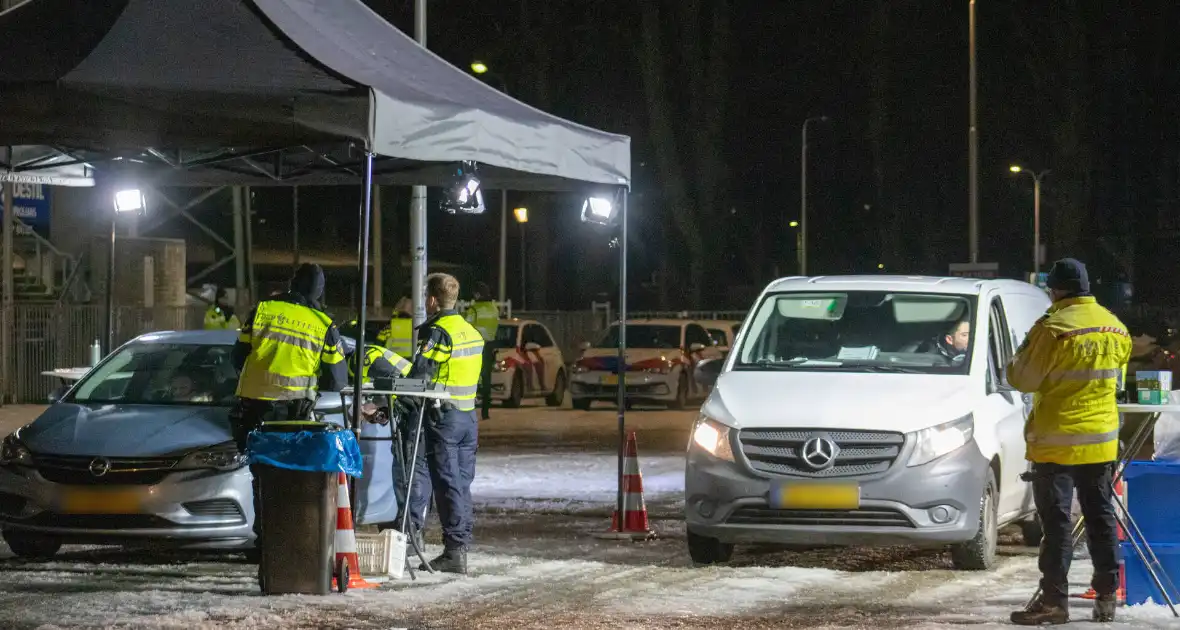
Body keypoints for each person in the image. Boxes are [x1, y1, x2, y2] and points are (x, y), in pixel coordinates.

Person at [1006, 258, 1132, 625]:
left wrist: (1017, 359)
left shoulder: (1052, 328)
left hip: (1056, 441)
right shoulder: (1116, 327)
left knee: (1058, 524)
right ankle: (1106, 597)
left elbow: (1023, 379)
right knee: (1100, 517)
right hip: (1101, 442)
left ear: (1056, 289)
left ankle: (1054, 603)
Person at [231, 263, 348, 557]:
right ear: (319, 291)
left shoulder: (263, 310)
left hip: (254, 405)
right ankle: (290, 540)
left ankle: (264, 543)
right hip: (294, 411)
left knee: (262, 474)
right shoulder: (323, 323)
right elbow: (337, 380)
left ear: (292, 284)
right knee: (293, 476)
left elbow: (238, 356)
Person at [401, 273, 484, 574]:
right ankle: (459, 547)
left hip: (444, 418)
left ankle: (454, 552)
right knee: (461, 485)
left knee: (447, 484)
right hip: (467, 418)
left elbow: (419, 375)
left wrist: (396, 401)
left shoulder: (438, 332)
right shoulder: (470, 331)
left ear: (433, 300)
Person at [463, 282, 499, 420]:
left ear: (478, 294)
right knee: (486, 380)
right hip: (489, 346)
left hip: (475, 347)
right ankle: (485, 412)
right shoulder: (494, 308)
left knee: (472, 378)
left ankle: (470, 409)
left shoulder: (474, 310)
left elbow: (465, 326)